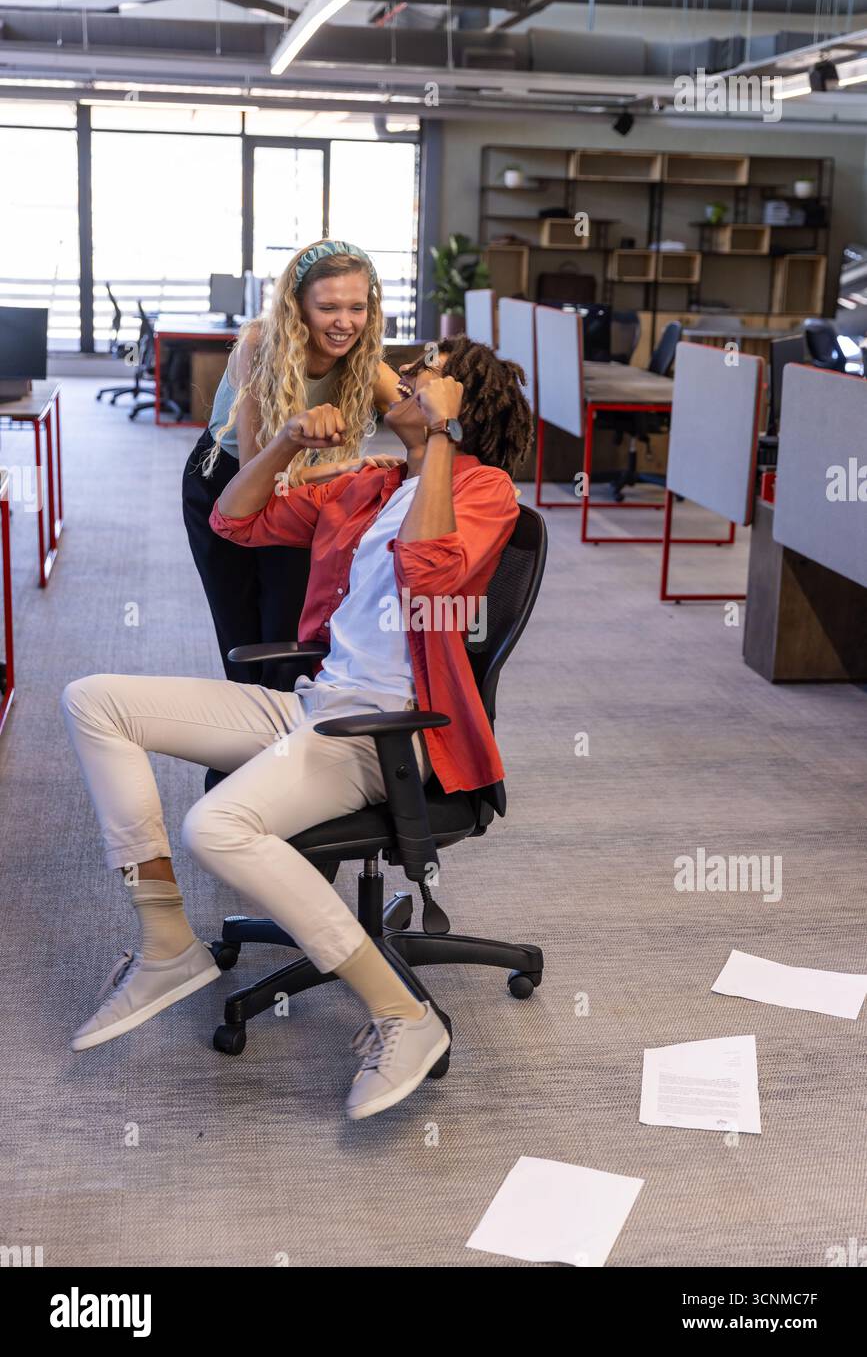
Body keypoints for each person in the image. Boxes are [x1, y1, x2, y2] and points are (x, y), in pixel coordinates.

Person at [61, 336, 534, 1121]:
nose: (404, 375)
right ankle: (167, 944)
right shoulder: (373, 484)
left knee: (216, 825)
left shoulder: (485, 493)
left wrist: (444, 441)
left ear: (460, 404)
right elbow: (234, 521)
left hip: (386, 732)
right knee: (94, 698)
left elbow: (428, 573)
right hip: (314, 703)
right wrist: (283, 440)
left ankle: (404, 1017)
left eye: (426, 372)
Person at [181, 239, 401, 687]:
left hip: (299, 494)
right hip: (228, 485)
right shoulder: (260, 345)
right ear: (297, 306)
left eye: (357, 308)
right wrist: (343, 469)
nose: (345, 323)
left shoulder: (364, 361)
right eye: (329, 308)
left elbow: (424, 415)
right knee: (241, 636)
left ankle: (282, 747)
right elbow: (260, 469)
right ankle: (238, 748)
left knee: (290, 632)